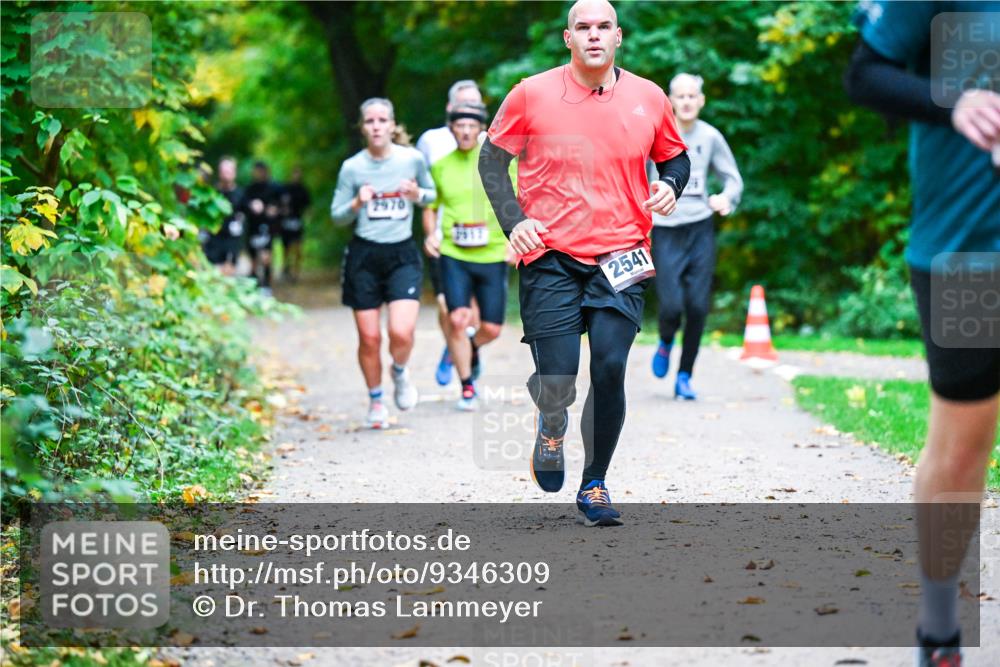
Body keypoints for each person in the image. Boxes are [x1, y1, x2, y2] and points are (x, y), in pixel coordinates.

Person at [479, 0, 690, 526]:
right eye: (582, 27)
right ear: (567, 38)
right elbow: (491, 158)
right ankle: (551, 424)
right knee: (558, 378)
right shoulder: (531, 93)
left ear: (618, 37)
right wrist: (514, 220)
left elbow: (675, 157)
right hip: (550, 253)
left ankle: (594, 483)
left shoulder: (649, 96)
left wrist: (670, 185)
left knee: (612, 367)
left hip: (622, 253)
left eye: (603, 27)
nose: (593, 35)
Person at [845, 2, 1000, 665]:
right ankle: (939, 624)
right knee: (964, 446)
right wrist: (956, 102)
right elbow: (866, 76)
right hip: (969, 256)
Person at [331, 98, 435, 429]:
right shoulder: (352, 167)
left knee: (400, 331)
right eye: (370, 121)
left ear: (392, 125)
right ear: (363, 128)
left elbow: (432, 195)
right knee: (370, 338)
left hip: (401, 253)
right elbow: (336, 216)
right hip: (364, 256)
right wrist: (356, 203)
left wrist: (417, 193)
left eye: (382, 120)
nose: (376, 126)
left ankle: (400, 373)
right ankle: (376, 400)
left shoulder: (412, 159)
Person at [649, 73, 743, 400]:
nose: (687, 101)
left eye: (693, 96)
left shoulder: (711, 137)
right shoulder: (656, 136)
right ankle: (664, 340)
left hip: (700, 228)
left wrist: (726, 198)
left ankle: (685, 375)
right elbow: (636, 178)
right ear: (670, 100)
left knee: (699, 307)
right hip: (664, 231)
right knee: (672, 304)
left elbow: (733, 179)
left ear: (701, 100)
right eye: (680, 96)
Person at [424, 102, 515, 411]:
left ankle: (468, 350)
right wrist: (430, 234)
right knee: (458, 319)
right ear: (451, 129)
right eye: (459, 126)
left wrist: (514, 240)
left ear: (481, 129)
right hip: (454, 254)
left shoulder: (497, 161)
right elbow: (430, 206)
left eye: (470, 126)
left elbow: (516, 198)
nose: (464, 131)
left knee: (492, 328)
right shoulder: (440, 166)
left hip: (491, 253)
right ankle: (466, 386)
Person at [416, 80, 485, 387]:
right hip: (444, 237)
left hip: (483, 238)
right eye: (462, 103)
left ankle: (464, 347)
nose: (468, 109)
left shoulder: (490, 140)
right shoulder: (430, 141)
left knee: (476, 313)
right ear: (449, 108)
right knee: (448, 306)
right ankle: (458, 347)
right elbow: (419, 185)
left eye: (475, 102)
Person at [243, 161, 281, 295]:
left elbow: (282, 205)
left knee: (266, 257)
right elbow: (243, 205)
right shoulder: (249, 189)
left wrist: (274, 210)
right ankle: (254, 285)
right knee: (253, 259)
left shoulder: (274, 188)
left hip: (268, 228)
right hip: (253, 227)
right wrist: (250, 206)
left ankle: (266, 285)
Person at [207, 156, 245, 276]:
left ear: (234, 173)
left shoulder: (241, 194)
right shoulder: (212, 193)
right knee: (214, 273)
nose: (225, 175)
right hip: (214, 239)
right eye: (223, 171)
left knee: (228, 274)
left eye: (228, 171)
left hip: (232, 240)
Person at [279, 166, 311, 283]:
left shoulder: (303, 190)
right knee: (286, 248)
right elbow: (279, 203)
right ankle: (285, 268)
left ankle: (295, 273)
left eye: (298, 174)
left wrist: (307, 218)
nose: (296, 176)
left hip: (298, 222)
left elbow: (308, 205)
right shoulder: (285, 189)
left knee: (298, 248)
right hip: (286, 222)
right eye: (294, 173)